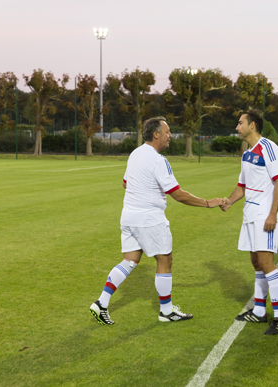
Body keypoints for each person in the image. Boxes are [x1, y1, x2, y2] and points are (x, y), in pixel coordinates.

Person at [90, 117, 222, 325]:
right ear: (156, 134)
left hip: (129, 216)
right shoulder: (158, 160)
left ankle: (101, 302)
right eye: (167, 132)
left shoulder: (135, 153)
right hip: (149, 218)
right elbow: (177, 194)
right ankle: (166, 311)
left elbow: (126, 183)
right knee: (165, 260)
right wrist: (208, 203)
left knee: (130, 260)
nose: (170, 135)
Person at [220, 110, 278, 335]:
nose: (237, 127)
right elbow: (242, 186)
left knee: (266, 263)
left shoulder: (268, 147)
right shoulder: (247, 153)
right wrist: (229, 201)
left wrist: (272, 215)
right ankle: (259, 311)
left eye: (240, 123)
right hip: (249, 215)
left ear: (252, 125)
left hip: (263, 215)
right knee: (256, 262)